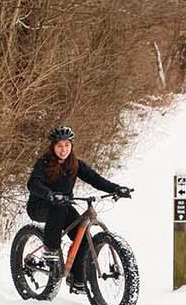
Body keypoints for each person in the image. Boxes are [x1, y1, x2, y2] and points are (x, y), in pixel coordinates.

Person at [27, 124, 131, 290]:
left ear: (71, 146)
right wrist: (50, 195)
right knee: (58, 209)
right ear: (53, 146)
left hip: (63, 206)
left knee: (82, 237)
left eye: (67, 145)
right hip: (40, 205)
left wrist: (116, 189)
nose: (63, 149)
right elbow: (33, 184)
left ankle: (77, 279)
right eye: (59, 146)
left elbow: (95, 179)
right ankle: (50, 250)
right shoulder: (44, 163)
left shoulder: (75, 164)